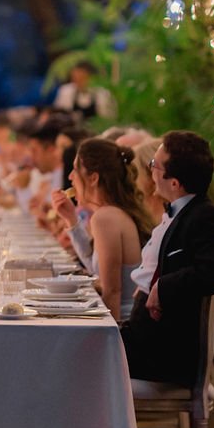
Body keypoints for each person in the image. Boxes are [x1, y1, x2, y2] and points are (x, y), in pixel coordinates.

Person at [119, 131, 214, 384]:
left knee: (79, 350)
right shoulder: (176, 214)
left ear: (174, 183)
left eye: (154, 166)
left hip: (162, 353)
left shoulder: (204, 217)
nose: (150, 171)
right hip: (144, 336)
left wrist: (163, 285)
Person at [51, 138, 151, 322]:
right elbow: (98, 271)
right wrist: (71, 219)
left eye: (75, 169)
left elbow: (112, 291)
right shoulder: (111, 213)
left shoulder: (105, 217)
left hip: (126, 325)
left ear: (93, 178)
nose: (70, 177)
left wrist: (108, 340)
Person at [53, 60, 117, 128]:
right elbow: (59, 115)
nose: (77, 81)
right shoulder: (65, 91)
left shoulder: (103, 94)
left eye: (81, 78)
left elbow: (109, 120)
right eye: (74, 78)